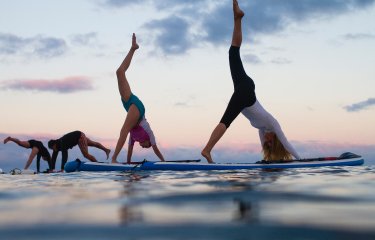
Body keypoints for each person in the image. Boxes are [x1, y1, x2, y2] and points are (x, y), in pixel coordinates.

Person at [201, 0, 301, 163]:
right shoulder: (273, 124)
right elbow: (287, 144)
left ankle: (238, 18)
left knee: (233, 52)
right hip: (246, 93)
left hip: (244, 89)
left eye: (266, 143)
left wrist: (266, 161)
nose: (266, 141)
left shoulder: (262, 129)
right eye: (270, 142)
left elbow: (263, 144)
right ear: (275, 139)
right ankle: (206, 150)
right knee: (225, 121)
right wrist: (301, 161)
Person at [111, 33, 165, 164]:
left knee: (119, 72)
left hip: (128, 104)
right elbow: (156, 149)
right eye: (147, 146)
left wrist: (128, 163)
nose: (144, 146)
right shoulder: (149, 134)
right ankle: (113, 159)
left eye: (144, 147)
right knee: (124, 130)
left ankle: (133, 48)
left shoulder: (134, 138)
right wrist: (164, 162)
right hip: (137, 108)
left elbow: (129, 148)